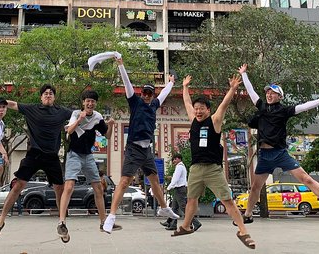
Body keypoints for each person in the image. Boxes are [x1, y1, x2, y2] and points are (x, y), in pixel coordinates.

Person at [239, 63, 319, 221]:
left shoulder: (284, 110)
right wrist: (243, 74)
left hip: (280, 153)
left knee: (306, 179)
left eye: (273, 92)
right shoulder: (261, 107)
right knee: (255, 187)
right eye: (268, 92)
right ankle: (247, 215)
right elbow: (251, 91)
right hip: (264, 155)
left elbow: (303, 107)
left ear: (279, 96)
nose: (269, 94)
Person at [171, 75, 255, 249]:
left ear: (208, 110)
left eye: (201, 109)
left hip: (213, 170)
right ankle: (186, 226)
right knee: (191, 200)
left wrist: (232, 89)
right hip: (195, 168)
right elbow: (186, 102)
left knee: (228, 201)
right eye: (196, 109)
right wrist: (185, 87)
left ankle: (243, 232)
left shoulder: (214, 122)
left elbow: (223, 106)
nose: (198, 111)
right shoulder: (193, 120)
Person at [101, 57, 180, 234]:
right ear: (140, 93)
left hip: (147, 150)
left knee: (155, 182)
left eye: (149, 93)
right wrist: (121, 65)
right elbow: (127, 83)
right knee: (124, 181)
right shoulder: (135, 102)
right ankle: (111, 216)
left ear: (152, 95)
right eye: (144, 92)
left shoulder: (153, 106)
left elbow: (164, 94)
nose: (146, 95)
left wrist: (171, 83)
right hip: (134, 148)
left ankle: (163, 208)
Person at [0, 84, 73, 239]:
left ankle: (62, 223)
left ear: (54, 97)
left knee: (59, 189)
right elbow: (12, 104)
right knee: (18, 185)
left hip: (52, 156)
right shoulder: (32, 109)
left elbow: (78, 114)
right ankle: (0, 221)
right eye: (45, 93)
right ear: (41, 97)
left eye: (51, 93)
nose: (48, 95)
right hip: (34, 154)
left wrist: (92, 115)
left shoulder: (61, 112)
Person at [56, 90, 117, 243]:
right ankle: (62, 222)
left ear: (95, 103)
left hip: (88, 155)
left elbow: (107, 136)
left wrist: (110, 126)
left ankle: (104, 223)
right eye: (87, 101)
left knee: (98, 188)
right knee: (69, 186)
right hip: (74, 154)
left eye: (93, 101)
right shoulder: (76, 113)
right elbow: (69, 131)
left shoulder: (98, 117)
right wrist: (79, 119)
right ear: (83, 102)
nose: (90, 104)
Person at [161, 154, 201, 231]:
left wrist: (168, 188)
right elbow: (177, 178)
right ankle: (172, 224)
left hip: (180, 189)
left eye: (174, 159)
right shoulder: (181, 167)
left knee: (183, 207)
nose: (173, 161)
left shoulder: (179, 167)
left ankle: (196, 223)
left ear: (179, 159)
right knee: (174, 208)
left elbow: (176, 179)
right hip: (179, 189)